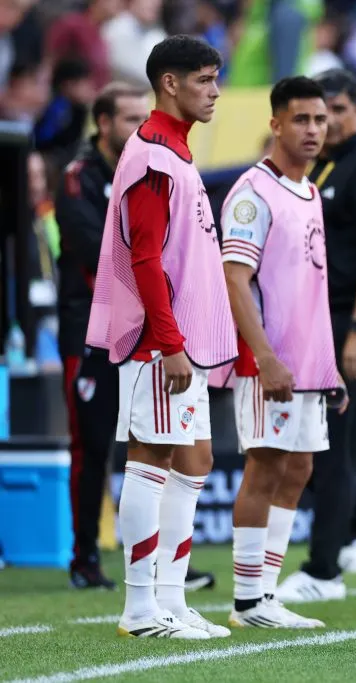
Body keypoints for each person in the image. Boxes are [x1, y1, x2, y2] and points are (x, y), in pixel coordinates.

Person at [85, 35, 236, 639]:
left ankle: (171, 601)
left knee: (195, 460)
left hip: (183, 339)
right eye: (204, 79)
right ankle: (140, 608)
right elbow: (145, 258)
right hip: (159, 340)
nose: (215, 91)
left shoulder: (175, 150)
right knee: (149, 457)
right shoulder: (151, 155)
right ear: (169, 83)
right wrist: (169, 344)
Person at [215, 76, 345, 629]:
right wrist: (265, 356)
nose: (313, 130)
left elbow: (308, 288)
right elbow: (235, 280)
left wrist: (328, 364)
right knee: (265, 466)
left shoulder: (309, 191)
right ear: (275, 124)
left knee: (299, 469)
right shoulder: (252, 192)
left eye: (319, 120)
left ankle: (265, 593)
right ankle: (248, 600)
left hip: (309, 364)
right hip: (268, 361)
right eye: (301, 120)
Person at [275, 67, 356, 603]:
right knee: (318, 450)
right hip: (321, 325)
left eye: (337, 111)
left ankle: (324, 570)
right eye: (318, 115)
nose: (327, 123)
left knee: (336, 452)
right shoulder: (319, 166)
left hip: (354, 324)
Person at [56, 81, 148, 590]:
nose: (140, 128)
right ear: (104, 123)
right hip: (89, 334)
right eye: (131, 118)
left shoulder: (150, 172)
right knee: (91, 447)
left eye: (144, 118)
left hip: (142, 331)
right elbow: (98, 251)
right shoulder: (78, 178)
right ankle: (85, 556)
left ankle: (158, 557)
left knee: (153, 444)